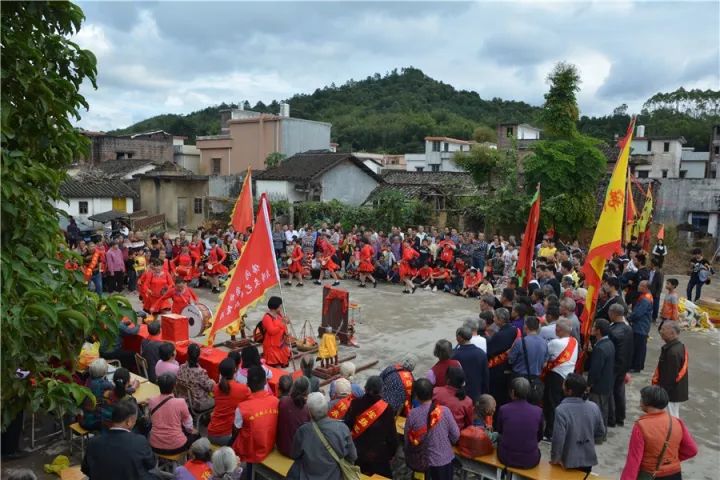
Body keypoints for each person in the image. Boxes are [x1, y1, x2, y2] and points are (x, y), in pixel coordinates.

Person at [620, 386, 698, 480]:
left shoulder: (641, 426)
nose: (640, 402)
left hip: (650, 474)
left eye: (641, 398)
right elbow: (692, 450)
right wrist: (671, 461)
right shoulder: (677, 422)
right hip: (674, 474)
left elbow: (634, 461)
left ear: (647, 402)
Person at [287, 392, 357, 480]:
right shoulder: (342, 428)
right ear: (327, 408)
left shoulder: (303, 431)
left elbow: (294, 455)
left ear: (309, 412)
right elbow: (353, 456)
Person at [81, 399, 156, 480]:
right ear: (129, 422)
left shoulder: (93, 442)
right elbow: (151, 464)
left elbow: (86, 469)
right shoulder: (140, 441)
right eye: (135, 420)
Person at [404, 378, 459, 480]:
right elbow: (456, 435)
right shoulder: (445, 411)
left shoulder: (412, 415)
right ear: (432, 392)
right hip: (444, 460)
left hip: (422, 462)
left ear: (416, 395)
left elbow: (407, 440)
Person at [550, 374, 605, 474]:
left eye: (564, 385)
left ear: (569, 391)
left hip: (567, 460)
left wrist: (555, 458)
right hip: (587, 458)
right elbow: (601, 431)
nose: (562, 386)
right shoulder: (593, 407)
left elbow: (558, 439)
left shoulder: (561, 410)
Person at [344, 376, 397, 477]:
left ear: (365, 388)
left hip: (357, 454)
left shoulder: (355, 403)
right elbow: (392, 437)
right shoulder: (387, 409)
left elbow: (347, 427)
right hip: (379, 456)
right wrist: (391, 454)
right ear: (381, 390)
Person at [232, 366, 279, 471]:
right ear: (265, 382)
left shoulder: (242, 407)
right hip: (269, 445)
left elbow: (235, 431)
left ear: (247, 384)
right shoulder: (275, 401)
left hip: (250, 450)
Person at [496, 377, 543, 469]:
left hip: (506, 457)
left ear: (512, 392)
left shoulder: (504, 409)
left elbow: (500, 431)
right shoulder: (538, 411)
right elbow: (539, 436)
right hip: (530, 459)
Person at [542, 318, 578, 439]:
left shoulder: (555, 343)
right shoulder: (574, 341)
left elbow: (545, 354)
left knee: (552, 405)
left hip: (555, 377)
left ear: (559, 329)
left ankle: (550, 433)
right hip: (567, 376)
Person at [148, 373, 199, 455]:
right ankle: (189, 461)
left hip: (155, 445)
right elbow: (188, 425)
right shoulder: (180, 402)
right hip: (177, 446)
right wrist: (191, 430)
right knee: (197, 435)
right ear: (174, 386)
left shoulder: (151, 401)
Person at [208, 358, 250, 446]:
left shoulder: (216, 388)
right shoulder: (242, 389)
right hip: (227, 436)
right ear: (235, 370)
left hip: (211, 432)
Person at [653, 321, 689, 418]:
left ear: (672, 333)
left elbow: (669, 378)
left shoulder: (672, 353)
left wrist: (661, 394)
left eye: (664, 329)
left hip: (670, 394)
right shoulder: (678, 346)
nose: (661, 331)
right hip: (673, 391)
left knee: (671, 418)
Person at [587, 319, 615, 439]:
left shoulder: (600, 348)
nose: (592, 329)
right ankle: (602, 434)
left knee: (597, 410)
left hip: (598, 385)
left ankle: (598, 435)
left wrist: (589, 384)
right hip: (607, 383)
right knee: (603, 409)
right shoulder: (608, 344)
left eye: (594, 327)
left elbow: (595, 370)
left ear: (598, 331)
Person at [486, 308, 520, 406]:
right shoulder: (515, 330)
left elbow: (489, 353)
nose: (493, 319)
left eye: (495, 317)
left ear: (500, 320)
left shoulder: (499, 335)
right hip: (511, 368)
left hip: (498, 370)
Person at [608, 303, 634, 428]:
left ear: (613, 313)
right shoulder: (628, 328)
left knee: (611, 392)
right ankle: (620, 417)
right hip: (624, 365)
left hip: (614, 366)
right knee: (619, 392)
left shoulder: (613, 332)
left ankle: (612, 418)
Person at [451, 327, 489, 401]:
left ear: (460, 338)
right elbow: (486, 375)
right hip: (477, 392)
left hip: (460, 395)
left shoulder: (455, 355)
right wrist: (485, 392)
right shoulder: (481, 353)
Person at [276, 376, 311, 457]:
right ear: (307, 392)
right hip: (297, 452)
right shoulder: (308, 409)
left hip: (281, 447)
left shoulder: (283, 401)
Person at [176, 343, 215, 412]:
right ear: (198, 356)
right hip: (197, 403)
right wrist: (213, 382)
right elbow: (210, 388)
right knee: (217, 399)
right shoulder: (200, 372)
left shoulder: (181, 367)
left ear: (187, 354)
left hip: (183, 398)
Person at [80, 358, 113, 431]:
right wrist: (132, 387)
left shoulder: (88, 381)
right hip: (95, 422)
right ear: (104, 371)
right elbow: (119, 393)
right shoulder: (105, 385)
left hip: (85, 419)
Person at [259, 296, 291, 368]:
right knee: (276, 366)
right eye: (280, 306)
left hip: (280, 344)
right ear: (275, 307)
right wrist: (282, 323)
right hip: (271, 347)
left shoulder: (279, 315)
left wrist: (287, 321)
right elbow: (271, 331)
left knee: (281, 364)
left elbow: (284, 325)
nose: (281, 308)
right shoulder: (267, 317)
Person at [629, 280, 653, 372]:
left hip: (640, 326)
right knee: (640, 346)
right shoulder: (646, 296)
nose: (638, 286)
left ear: (645, 288)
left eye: (640, 285)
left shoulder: (645, 299)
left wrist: (629, 317)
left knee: (639, 346)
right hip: (642, 325)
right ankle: (637, 365)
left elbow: (638, 313)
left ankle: (636, 366)